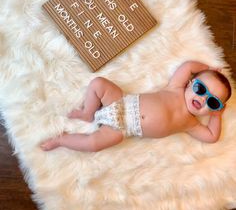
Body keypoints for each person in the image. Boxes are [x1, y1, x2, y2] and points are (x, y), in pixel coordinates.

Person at [40, 61, 232, 152]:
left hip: (123, 130)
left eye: (212, 102)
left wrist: (218, 116)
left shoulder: (191, 123)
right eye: (200, 88)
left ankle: (62, 140)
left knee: (93, 144)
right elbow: (188, 67)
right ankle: (87, 112)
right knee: (98, 83)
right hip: (122, 102)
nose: (203, 98)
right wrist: (207, 69)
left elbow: (212, 136)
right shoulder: (175, 88)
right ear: (191, 83)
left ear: (214, 108)